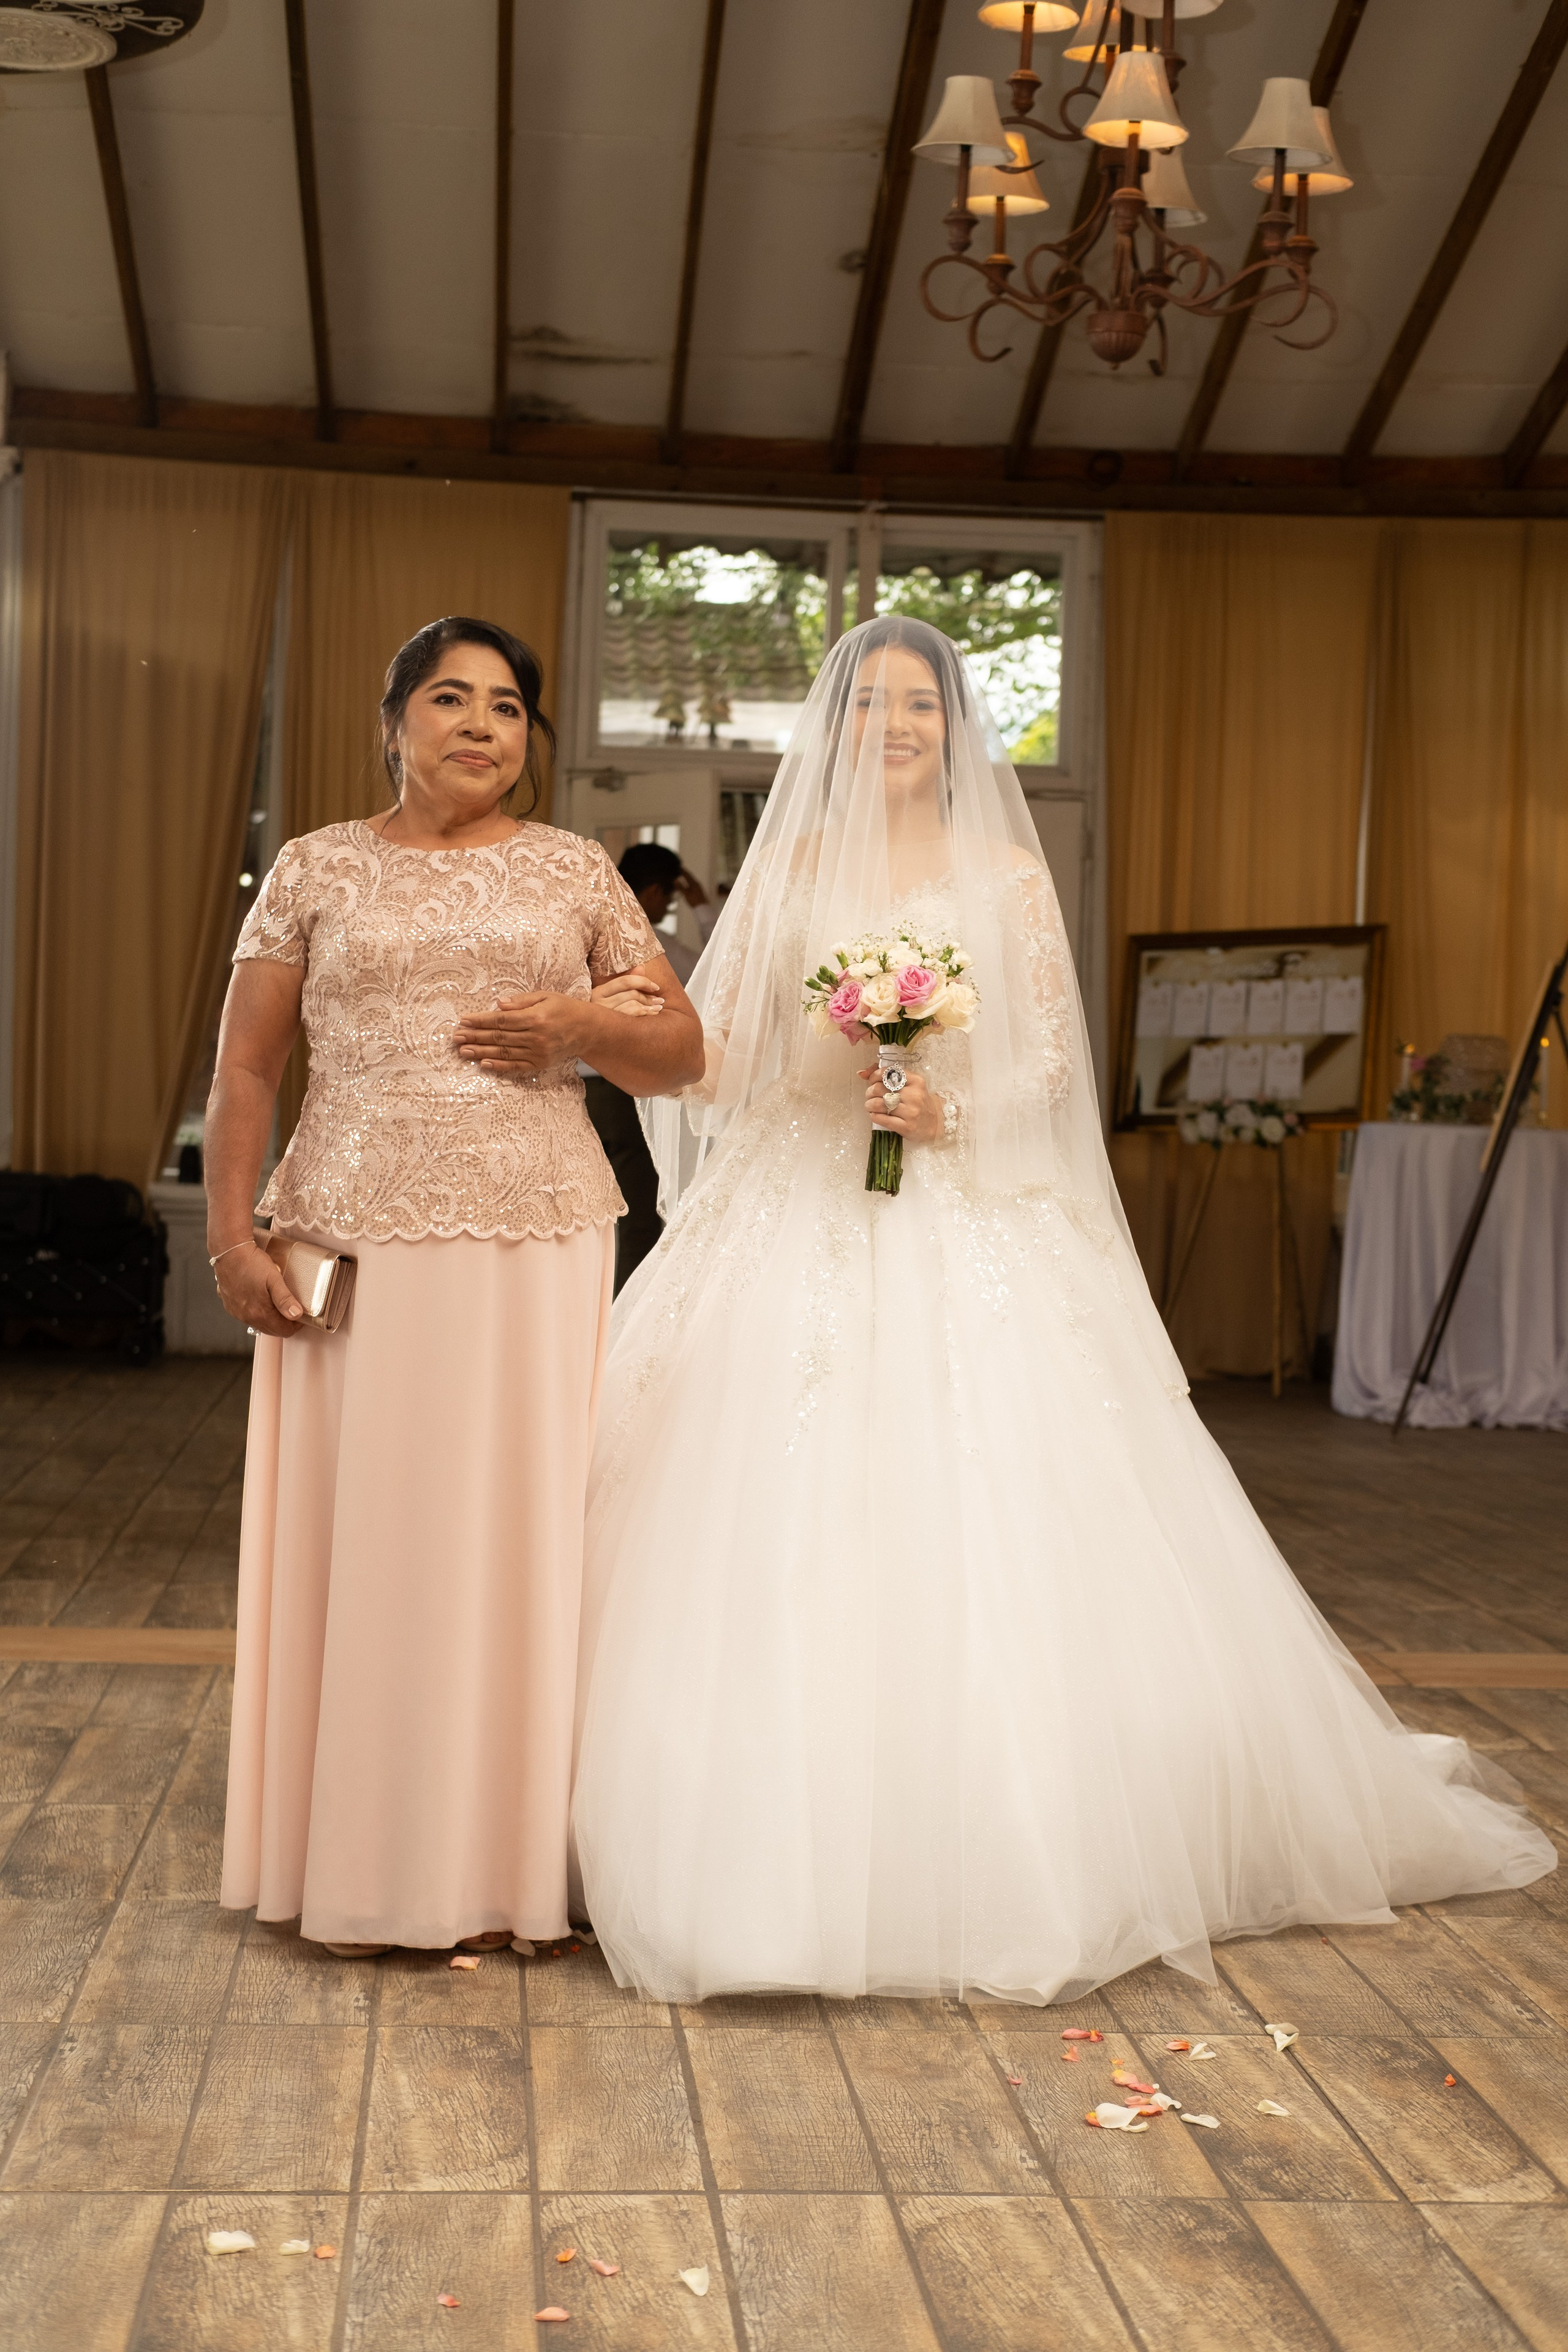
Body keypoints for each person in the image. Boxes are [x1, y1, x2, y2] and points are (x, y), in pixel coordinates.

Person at [570, 616, 1555, 2007]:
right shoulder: (785, 869)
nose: (897, 724)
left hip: (958, 1203)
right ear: (834, 727)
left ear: (955, 728)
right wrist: (742, 1041)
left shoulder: (1007, 875)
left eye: (922, 703)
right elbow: (719, 1062)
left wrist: (944, 1103)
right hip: (795, 1190)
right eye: (871, 703)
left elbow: (1045, 1071)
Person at [211, 615, 701, 1959]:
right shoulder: (314, 866)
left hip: (534, 1243)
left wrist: (583, 1024)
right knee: (363, 1537)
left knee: (511, 1538)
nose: (481, 724)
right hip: (348, 1240)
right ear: (393, 724)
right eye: (448, 697)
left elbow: (678, 1052)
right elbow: (248, 1067)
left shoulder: (573, 870)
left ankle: (503, 1870)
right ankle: (354, 1864)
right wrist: (231, 1238)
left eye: (506, 706)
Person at [583, 843, 712, 1290]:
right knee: (637, 1213)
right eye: (670, 897)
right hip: (621, 1092)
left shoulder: (584, 927)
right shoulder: (651, 950)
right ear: (654, 892)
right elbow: (718, 969)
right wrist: (702, 908)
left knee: (586, 1214)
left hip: (575, 1086)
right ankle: (623, 1310)